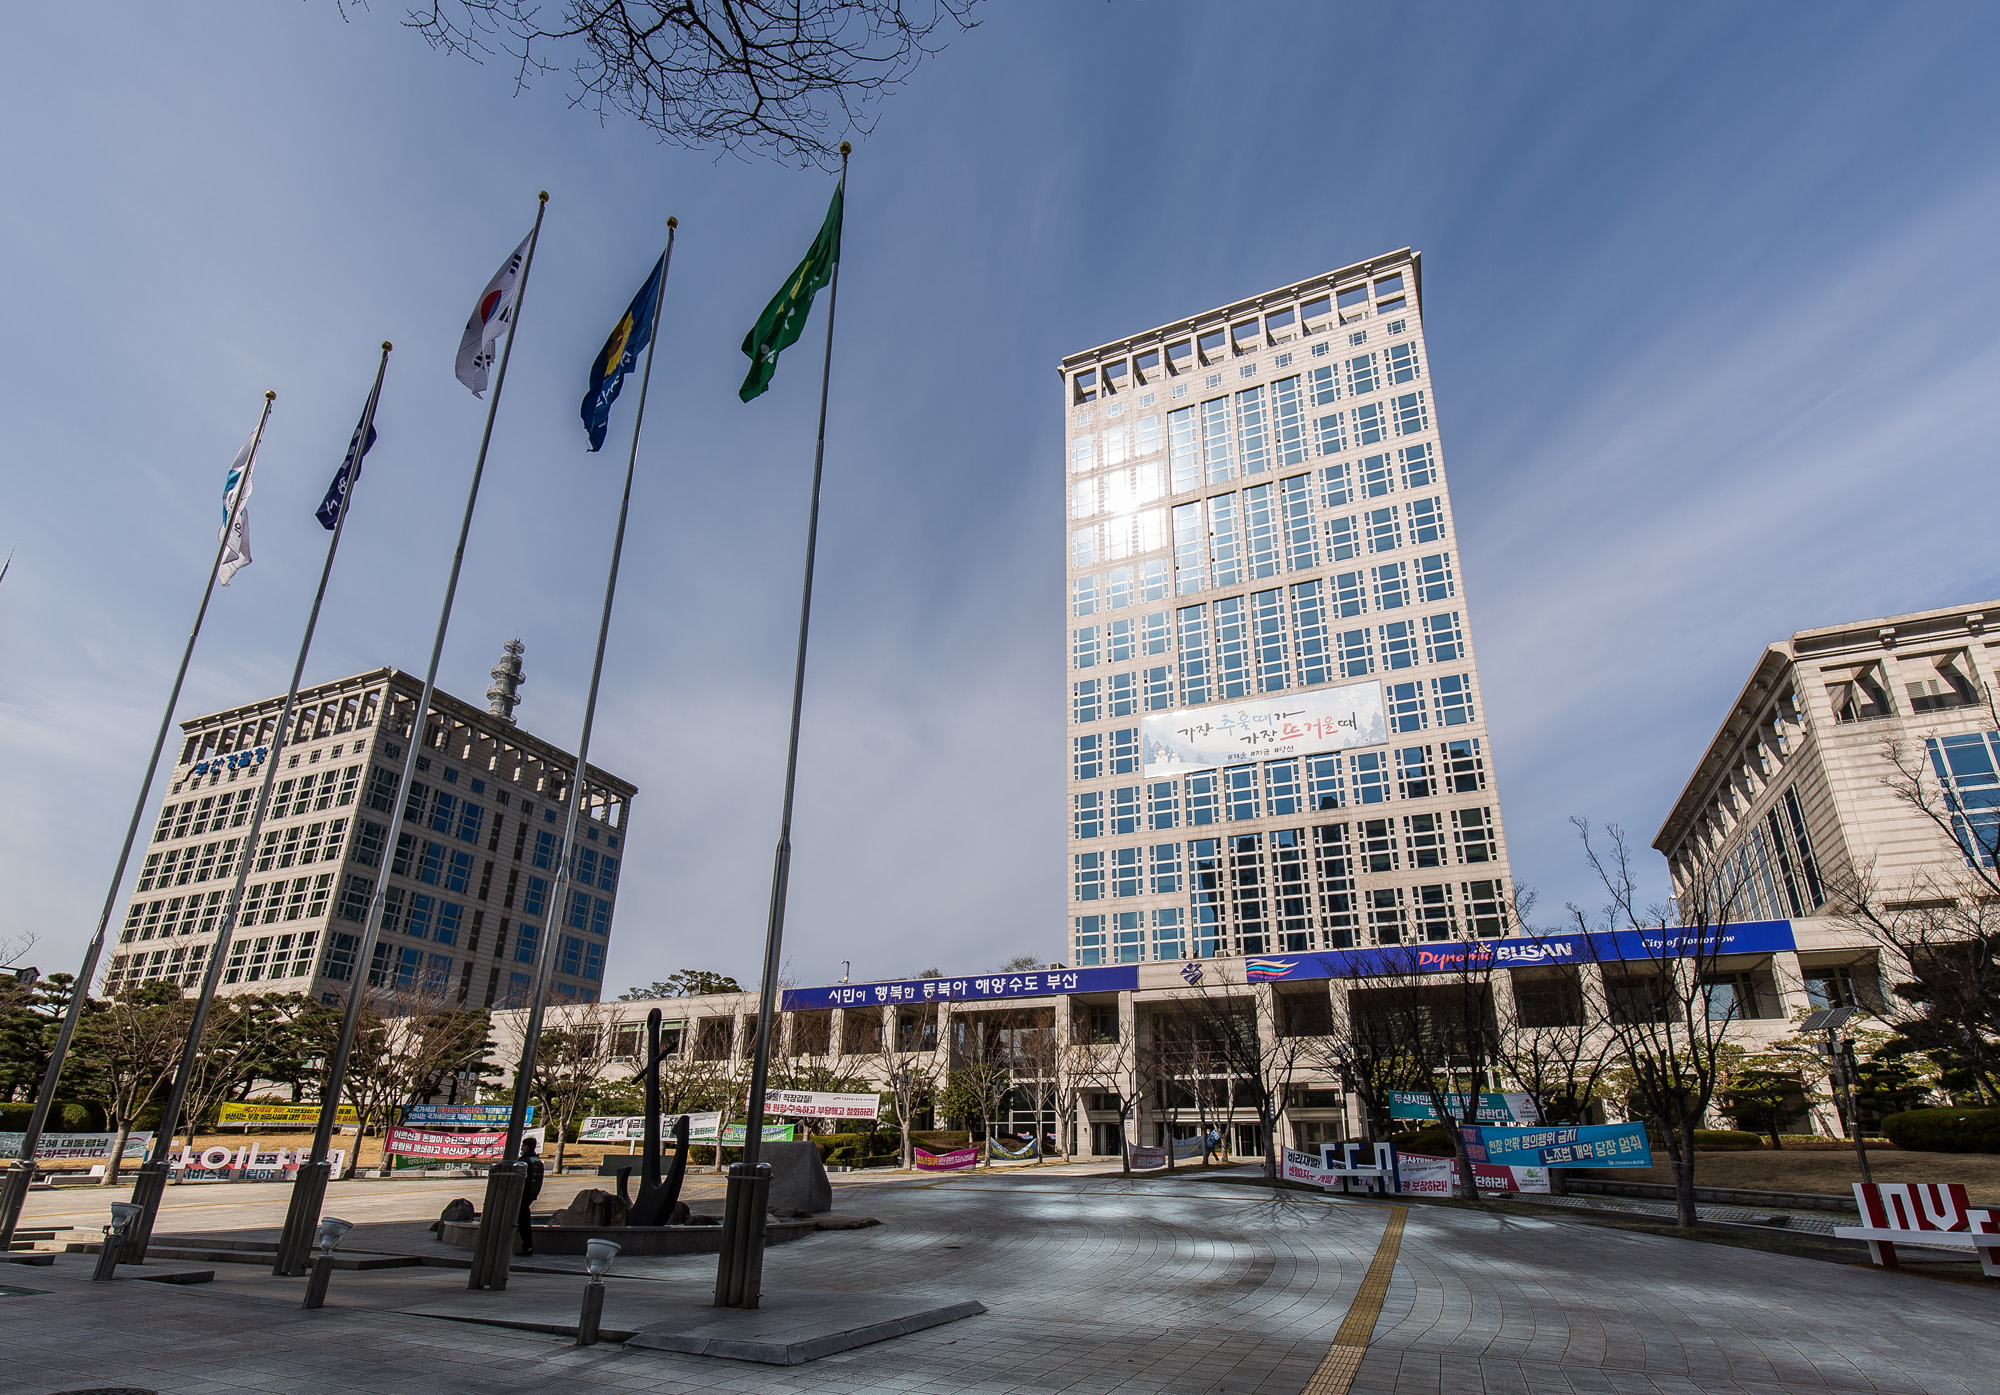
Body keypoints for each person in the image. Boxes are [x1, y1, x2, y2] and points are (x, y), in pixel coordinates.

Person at [517, 1137, 545, 1256]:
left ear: (526, 1147)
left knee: (522, 1221)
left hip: (522, 1194)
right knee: (524, 1218)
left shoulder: (524, 1162)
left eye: (523, 1146)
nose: (522, 1148)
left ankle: (527, 1246)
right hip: (531, 1194)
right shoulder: (537, 1161)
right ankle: (527, 1246)